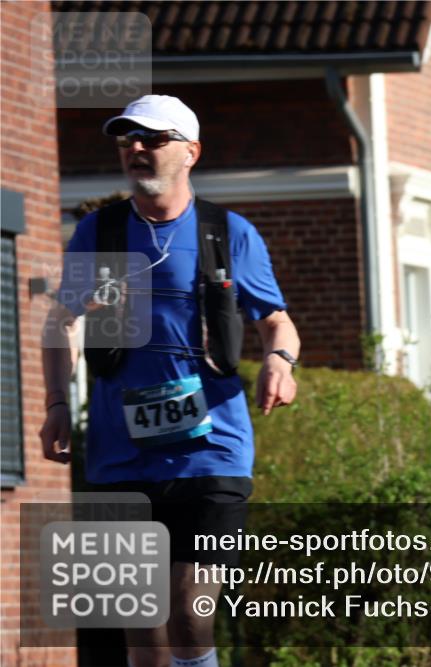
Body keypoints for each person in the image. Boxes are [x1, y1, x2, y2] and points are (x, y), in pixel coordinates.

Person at [39, 95, 300, 667]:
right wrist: (57, 401)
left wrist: (280, 361)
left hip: (212, 453)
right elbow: (62, 321)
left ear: (190, 151)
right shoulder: (99, 232)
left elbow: (276, 320)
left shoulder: (227, 233)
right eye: (127, 139)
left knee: (188, 607)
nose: (136, 149)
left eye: (152, 139)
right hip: (120, 451)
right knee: (142, 625)